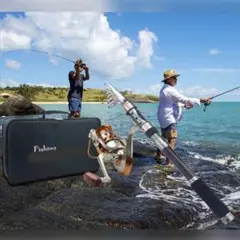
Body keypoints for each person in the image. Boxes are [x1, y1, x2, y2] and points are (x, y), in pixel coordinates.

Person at [155, 69, 211, 167]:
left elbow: (172, 103)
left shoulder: (165, 88)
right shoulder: (169, 90)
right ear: (169, 79)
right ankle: (169, 163)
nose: (176, 79)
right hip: (168, 118)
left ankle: (158, 155)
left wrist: (184, 106)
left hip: (163, 117)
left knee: (163, 138)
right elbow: (183, 99)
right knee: (172, 139)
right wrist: (201, 100)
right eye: (174, 77)